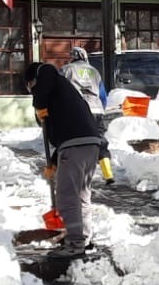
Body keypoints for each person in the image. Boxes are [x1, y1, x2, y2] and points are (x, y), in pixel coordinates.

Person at [26, 61, 106, 259]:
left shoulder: (46, 74)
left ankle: (75, 242)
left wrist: (39, 104)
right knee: (81, 196)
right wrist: (54, 162)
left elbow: (46, 70)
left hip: (75, 145)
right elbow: (66, 132)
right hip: (90, 144)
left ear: (32, 81)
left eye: (30, 88)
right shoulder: (66, 94)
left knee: (67, 196)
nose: (32, 92)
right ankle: (84, 238)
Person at [60, 46, 107, 117]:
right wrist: (102, 108)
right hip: (96, 110)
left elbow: (57, 91)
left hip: (75, 111)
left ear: (73, 57)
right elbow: (103, 96)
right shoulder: (95, 71)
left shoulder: (65, 70)